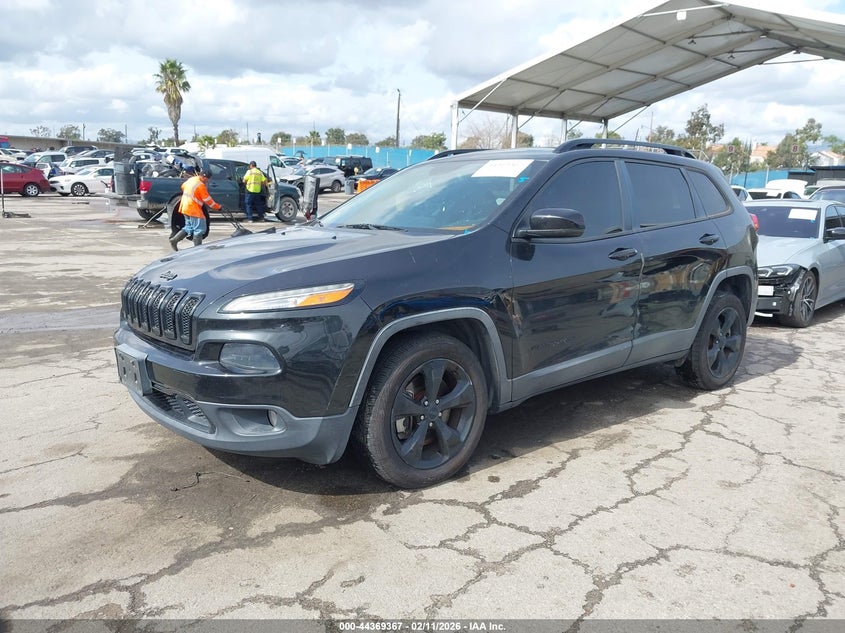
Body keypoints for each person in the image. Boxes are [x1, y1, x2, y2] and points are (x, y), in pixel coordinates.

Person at [169, 169, 222, 251]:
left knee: (188, 227)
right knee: (199, 230)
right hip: (193, 209)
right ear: (205, 177)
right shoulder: (201, 186)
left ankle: (174, 240)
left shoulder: (192, 179)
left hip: (184, 207)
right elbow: (207, 200)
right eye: (207, 179)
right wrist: (218, 207)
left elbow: (183, 186)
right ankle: (197, 250)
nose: (207, 181)